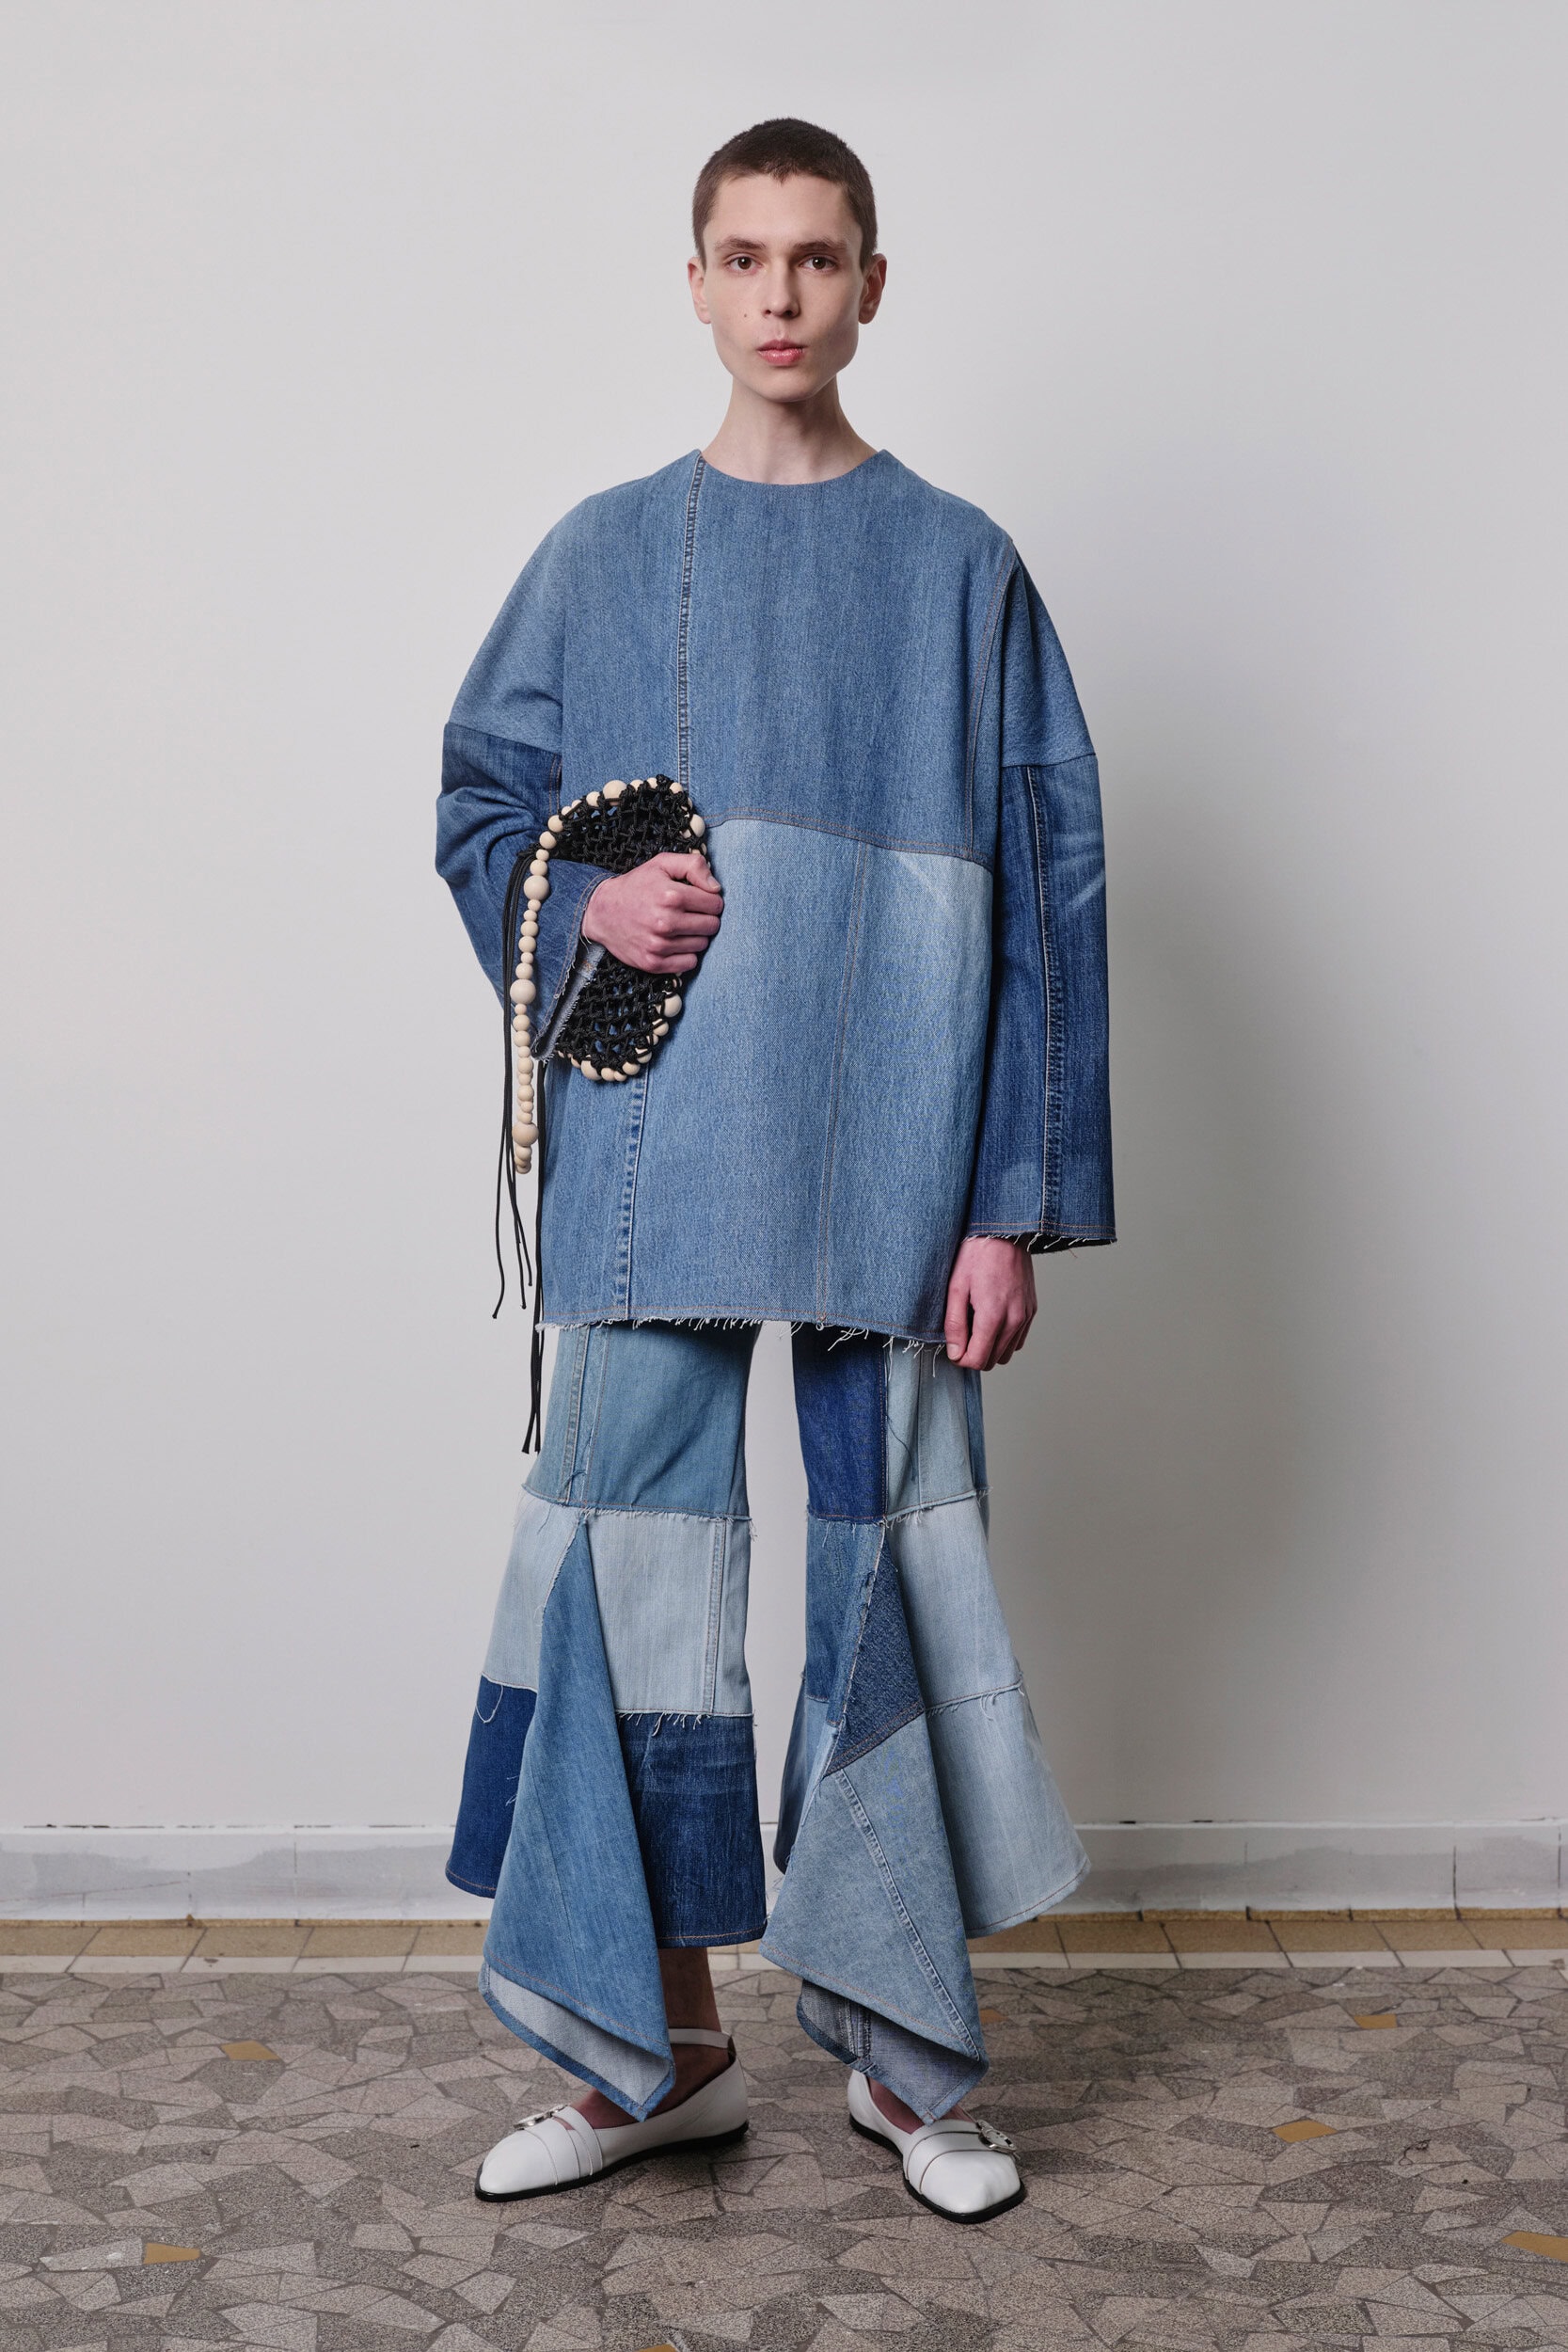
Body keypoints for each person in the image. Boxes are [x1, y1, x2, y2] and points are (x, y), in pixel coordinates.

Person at [435, 117, 1113, 2225]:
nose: (783, 294)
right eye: (746, 256)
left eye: (819, 257)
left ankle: (910, 2071)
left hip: (897, 1153)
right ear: (699, 283)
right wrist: (586, 905)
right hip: (653, 1155)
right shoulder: (601, 551)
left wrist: (1008, 1197)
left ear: (872, 284)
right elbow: (482, 802)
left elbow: (1053, 896)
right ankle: (654, 2060)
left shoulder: (965, 564)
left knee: (892, 1558)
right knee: (620, 1570)